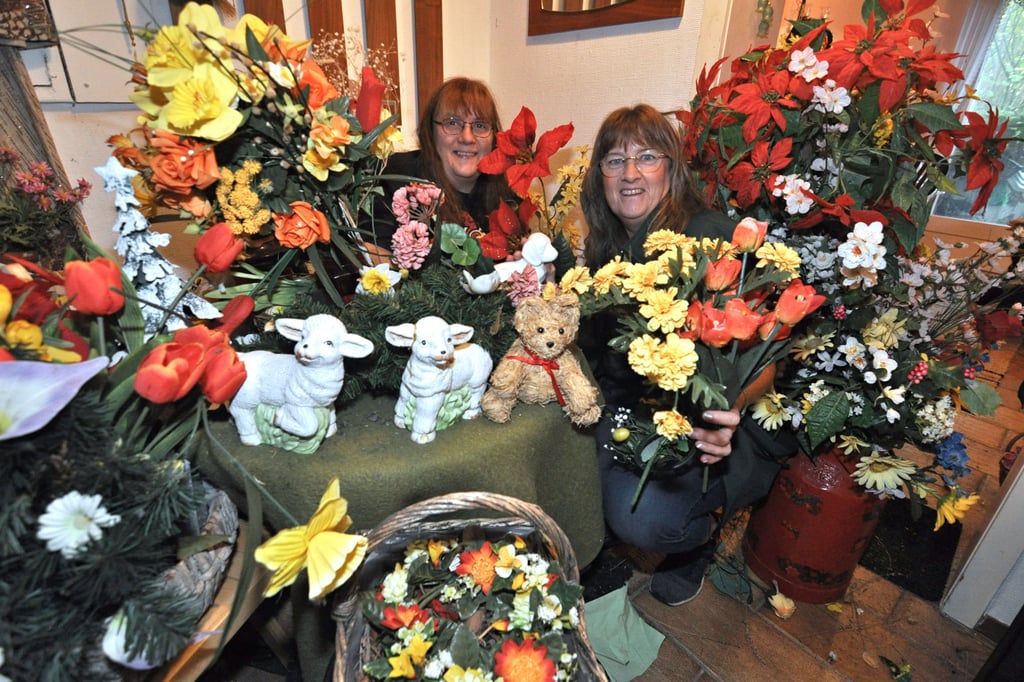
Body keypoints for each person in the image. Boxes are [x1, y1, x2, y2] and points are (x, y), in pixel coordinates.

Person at [579, 104, 795, 606]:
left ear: (672, 169)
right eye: (614, 161)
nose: (629, 173)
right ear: (600, 178)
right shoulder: (606, 248)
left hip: (702, 427)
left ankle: (700, 536)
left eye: (646, 157)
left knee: (645, 521)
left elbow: (765, 358)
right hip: (630, 411)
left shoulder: (714, 238)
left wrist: (730, 411)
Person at [361, 77, 517, 259]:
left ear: (494, 137)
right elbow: (371, 259)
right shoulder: (398, 177)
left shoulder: (505, 192)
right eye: (452, 123)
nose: (467, 138)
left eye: (480, 126)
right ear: (430, 131)